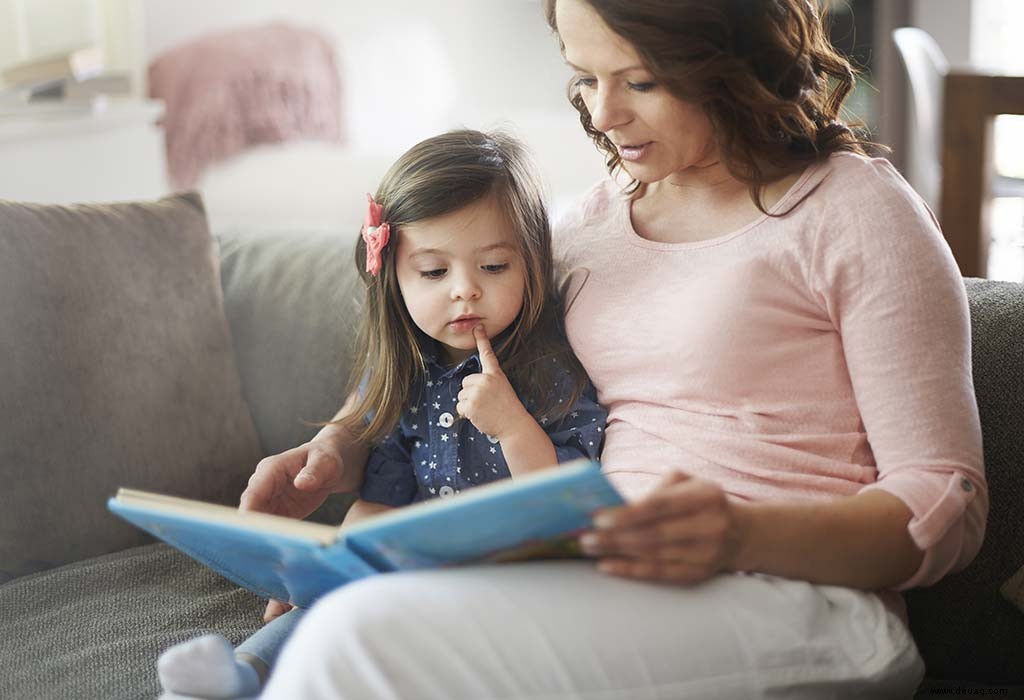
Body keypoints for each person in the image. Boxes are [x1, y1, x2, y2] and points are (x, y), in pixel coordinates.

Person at [250, 1, 989, 697]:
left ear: (729, 58)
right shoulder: (586, 228)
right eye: (585, 77)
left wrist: (738, 534)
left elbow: (947, 505)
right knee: (348, 608)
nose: (603, 115)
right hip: (594, 572)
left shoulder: (855, 211)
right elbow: (441, 359)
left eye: (640, 80)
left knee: (360, 638)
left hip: (803, 605)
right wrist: (339, 443)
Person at [156, 129, 606, 700]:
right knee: (314, 615)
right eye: (434, 272)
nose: (465, 291)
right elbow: (380, 494)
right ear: (393, 276)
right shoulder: (406, 371)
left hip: (508, 585)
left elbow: (567, 505)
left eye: (494, 267)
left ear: (531, 267)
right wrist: (329, 571)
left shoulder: (551, 372)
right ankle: (239, 674)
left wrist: (513, 425)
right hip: (409, 571)